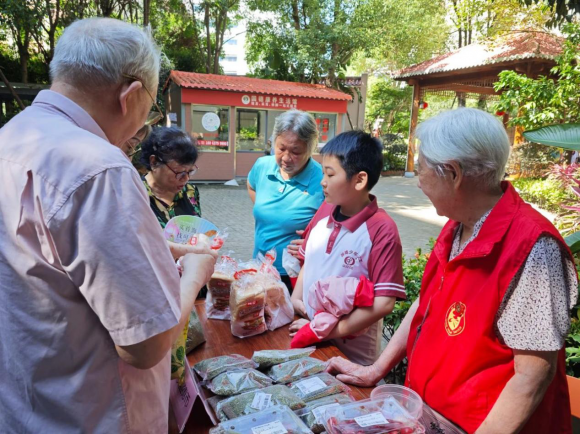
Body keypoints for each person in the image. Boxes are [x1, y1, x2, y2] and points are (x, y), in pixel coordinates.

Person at [0, 18, 216, 433]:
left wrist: (160, 248)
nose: (142, 127)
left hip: (30, 409)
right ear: (131, 94)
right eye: (150, 108)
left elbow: (54, 258)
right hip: (95, 417)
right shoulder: (98, 168)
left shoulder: (13, 138)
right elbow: (146, 345)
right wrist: (193, 275)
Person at [327, 108, 578, 434]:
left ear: (454, 174)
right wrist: (376, 369)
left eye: (422, 170)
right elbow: (426, 302)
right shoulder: (458, 225)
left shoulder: (533, 247)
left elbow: (531, 377)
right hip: (431, 418)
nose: (418, 183)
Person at [290, 131, 405, 365]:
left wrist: (324, 330)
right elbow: (309, 261)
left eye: (330, 174)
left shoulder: (382, 230)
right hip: (310, 337)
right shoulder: (324, 213)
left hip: (352, 356)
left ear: (360, 180)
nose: (322, 181)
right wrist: (296, 298)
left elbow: (383, 303)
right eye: (323, 173)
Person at [247, 109, 324, 290]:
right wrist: (267, 211)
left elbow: (338, 226)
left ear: (310, 148)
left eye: (296, 152)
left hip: (295, 275)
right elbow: (251, 186)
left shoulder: (322, 179)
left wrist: (312, 243)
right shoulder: (262, 166)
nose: (286, 158)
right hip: (259, 267)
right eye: (281, 148)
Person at [139, 127, 204, 259]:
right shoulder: (136, 193)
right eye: (179, 173)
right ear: (154, 162)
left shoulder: (190, 192)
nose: (186, 179)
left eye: (190, 171)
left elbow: (196, 232)